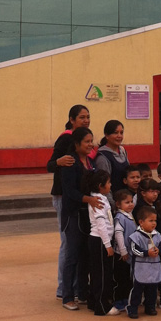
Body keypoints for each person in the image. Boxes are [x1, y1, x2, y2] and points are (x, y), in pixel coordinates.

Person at [46, 104, 91, 299]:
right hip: (65, 197)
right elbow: (49, 165)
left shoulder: (85, 139)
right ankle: (64, 289)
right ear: (72, 119)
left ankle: (77, 287)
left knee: (78, 245)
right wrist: (58, 162)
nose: (86, 120)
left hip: (80, 200)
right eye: (82, 117)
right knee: (68, 243)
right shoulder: (65, 139)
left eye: (88, 117)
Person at [59, 127, 103, 309]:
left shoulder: (90, 162)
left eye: (91, 141)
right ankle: (67, 296)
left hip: (87, 215)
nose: (90, 144)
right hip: (73, 215)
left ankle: (82, 293)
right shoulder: (70, 163)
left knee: (86, 254)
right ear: (76, 144)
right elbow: (69, 192)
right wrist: (89, 200)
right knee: (72, 255)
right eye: (86, 141)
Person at [127, 206, 161, 319]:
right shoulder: (136, 236)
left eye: (155, 220)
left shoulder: (158, 235)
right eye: (150, 220)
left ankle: (150, 306)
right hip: (141, 268)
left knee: (153, 289)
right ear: (141, 222)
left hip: (154, 268)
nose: (154, 223)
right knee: (137, 290)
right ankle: (133, 308)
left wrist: (159, 250)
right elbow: (134, 250)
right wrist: (146, 253)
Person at [84, 170, 115, 315]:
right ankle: (101, 306)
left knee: (98, 272)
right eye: (108, 183)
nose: (110, 185)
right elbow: (101, 224)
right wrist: (107, 245)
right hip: (99, 240)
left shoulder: (101, 198)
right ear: (100, 186)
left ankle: (93, 301)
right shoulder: (98, 201)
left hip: (101, 240)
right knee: (101, 274)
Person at [110, 189, 136, 315]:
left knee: (127, 279)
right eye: (127, 202)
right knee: (120, 279)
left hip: (130, 254)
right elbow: (119, 234)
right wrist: (123, 251)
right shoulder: (120, 217)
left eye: (131, 201)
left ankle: (126, 300)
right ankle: (118, 301)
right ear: (118, 205)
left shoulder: (130, 215)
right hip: (122, 255)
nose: (130, 204)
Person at [95, 120, 129, 194]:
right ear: (107, 135)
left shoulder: (123, 151)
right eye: (115, 133)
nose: (119, 136)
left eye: (121, 133)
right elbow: (104, 185)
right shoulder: (103, 157)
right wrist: (112, 203)